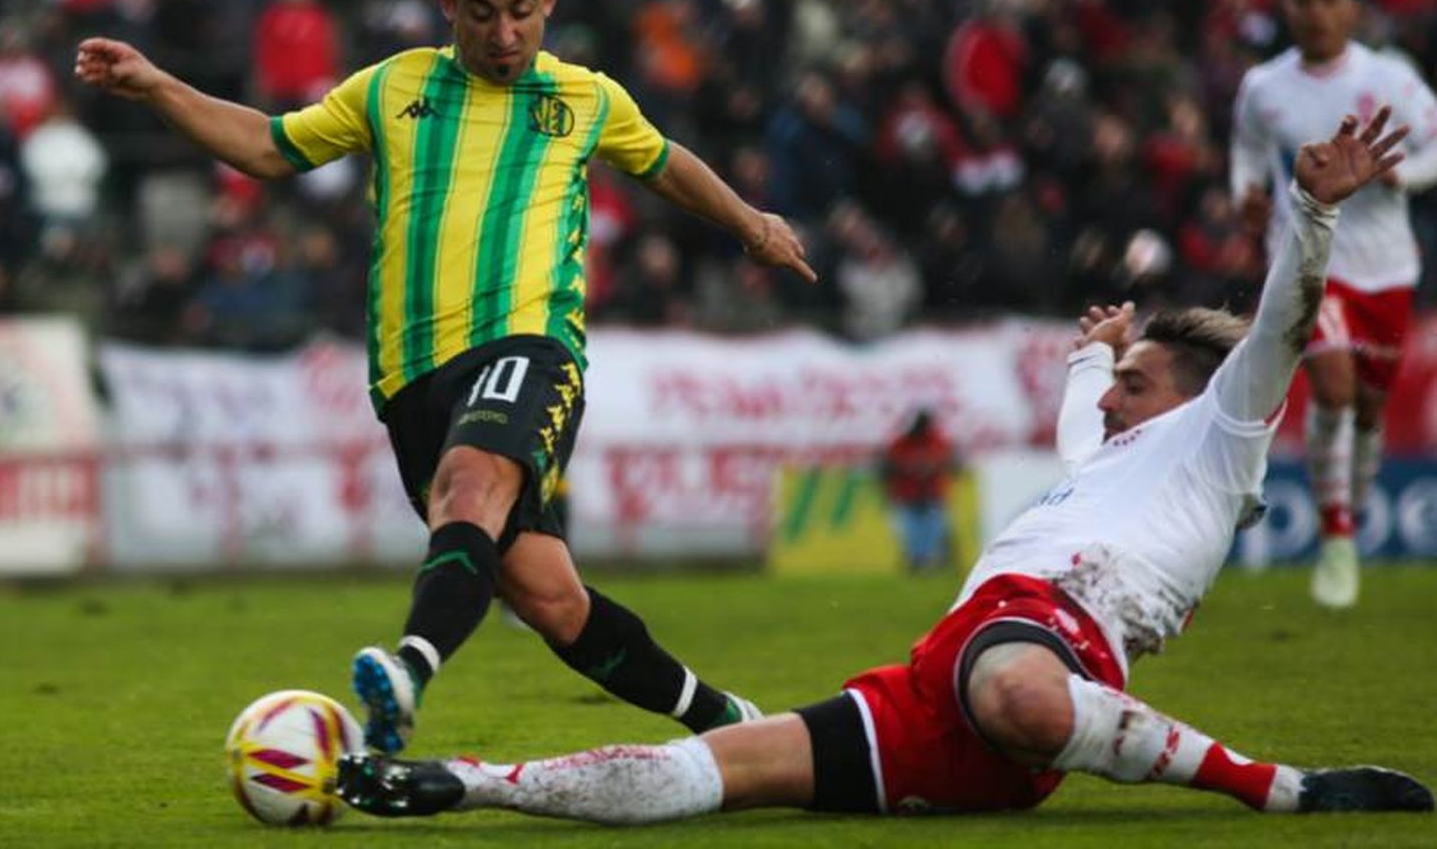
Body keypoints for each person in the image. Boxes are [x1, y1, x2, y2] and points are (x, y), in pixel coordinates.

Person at [336, 110, 1432, 823]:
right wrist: (1095, 354)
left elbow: (1281, 328)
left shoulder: (1221, 438)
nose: (1111, 400)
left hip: (1044, 643)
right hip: (946, 674)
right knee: (720, 775)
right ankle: (455, 782)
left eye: (1136, 381)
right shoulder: (1110, 456)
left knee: (1025, 698)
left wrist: (1311, 210)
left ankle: (1287, 790)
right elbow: (1076, 428)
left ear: (1202, 396)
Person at [75, 0, 816, 754]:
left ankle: (406, 674)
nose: (505, 34)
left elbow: (667, 163)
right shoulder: (393, 89)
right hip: (411, 381)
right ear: (446, 5)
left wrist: (751, 224)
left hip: (529, 347)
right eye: (483, 12)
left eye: (523, 10)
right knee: (552, 600)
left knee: (468, 487)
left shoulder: (584, 100)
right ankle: (731, 724)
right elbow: (268, 147)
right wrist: (160, 84)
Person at [1231, 0, 1437, 608]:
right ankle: (1337, 536)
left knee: (1369, 408)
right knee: (1332, 383)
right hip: (1306, 256)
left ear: (1352, 8)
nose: (1316, 11)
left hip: (1386, 264)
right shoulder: (1263, 86)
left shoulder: (1392, 79)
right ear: (1286, 9)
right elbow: (1247, 154)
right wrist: (1247, 195)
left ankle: (1350, 507)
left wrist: (1401, 175)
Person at [878, 408, 957, 571]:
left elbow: (950, 461)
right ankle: (917, 562)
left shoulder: (937, 441)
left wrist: (928, 468)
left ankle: (938, 561)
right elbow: (886, 467)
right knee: (913, 533)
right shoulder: (901, 443)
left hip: (932, 494)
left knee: (935, 530)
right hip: (909, 494)